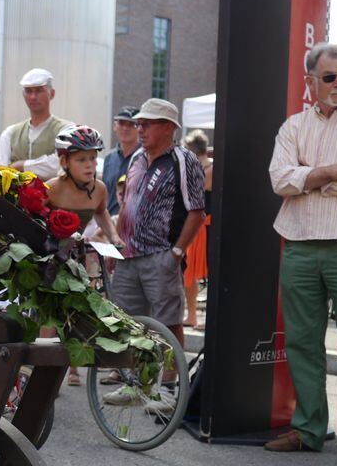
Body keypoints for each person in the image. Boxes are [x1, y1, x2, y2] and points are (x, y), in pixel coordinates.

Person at [266, 42, 337, 466]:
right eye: (330, 77)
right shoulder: (292, 127)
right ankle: (308, 429)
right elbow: (279, 180)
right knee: (304, 343)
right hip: (301, 246)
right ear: (311, 81)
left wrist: (309, 176)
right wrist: (334, 172)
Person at [102, 99, 205, 412]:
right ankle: (137, 384)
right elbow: (126, 205)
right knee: (130, 323)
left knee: (169, 322)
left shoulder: (183, 160)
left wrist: (176, 251)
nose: (140, 128)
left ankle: (170, 389)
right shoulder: (136, 158)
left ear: (169, 128)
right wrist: (116, 244)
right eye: (139, 123)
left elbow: (197, 210)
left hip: (161, 254)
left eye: (148, 123)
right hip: (129, 255)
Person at [46, 126, 123, 386]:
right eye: (81, 159)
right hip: (48, 255)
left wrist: (113, 236)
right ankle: (40, 368)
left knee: (78, 309)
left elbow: (101, 212)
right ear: (64, 161)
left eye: (92, 158)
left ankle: (73, 365)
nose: (90, 165)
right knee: (49, 311)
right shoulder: (51, 189)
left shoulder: (99, 188)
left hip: (76, 255)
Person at [0, 68, 73, 177]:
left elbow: (60, 164)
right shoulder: (10, 133)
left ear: (52, 94)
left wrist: (20, 165)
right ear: (23, 95)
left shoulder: (66, 130)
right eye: (28, 91)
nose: (33, 97)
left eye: (39, 90)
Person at [182, 130, 213, 328]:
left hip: (206, 226)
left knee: (208, 272)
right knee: (189, 273)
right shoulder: (201, 169)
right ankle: (192, 315)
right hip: (194, 225)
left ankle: (203, 317)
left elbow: (195, 194)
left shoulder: (210, 170)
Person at [102, 106, 140, 216]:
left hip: (133, 225)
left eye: (131, 124)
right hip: (108, 226)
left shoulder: (145, 158)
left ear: (140, 129)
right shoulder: (109, 158)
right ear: (115, 126)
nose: (125, 128)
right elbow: (105, 195)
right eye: (121, 123)